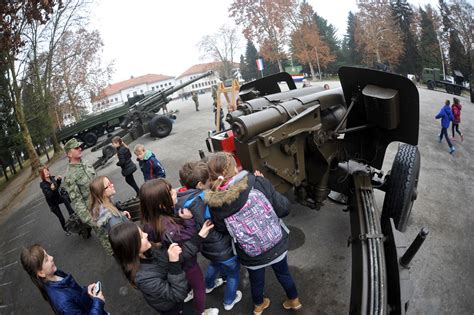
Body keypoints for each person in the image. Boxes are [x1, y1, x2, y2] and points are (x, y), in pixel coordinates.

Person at [204, 152, 302, 315]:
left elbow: (222, 229)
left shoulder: (216, 204)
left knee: (256, 281)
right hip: (276, 243)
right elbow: (284, 208)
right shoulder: (257, 182)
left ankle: (259, 306)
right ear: (235, 168)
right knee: (284, 274)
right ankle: (294, 301)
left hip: (250, 253)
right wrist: (265, 183)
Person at [140, 179, 219, 315]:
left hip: (170, 267)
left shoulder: (150, 222)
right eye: (170, 193)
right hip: (187, 265)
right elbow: (186, 244)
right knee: (199, 287)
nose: (175, 192)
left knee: (186, 284)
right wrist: (190, 222)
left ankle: (186, 292)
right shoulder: (168, 228)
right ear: (161, 204)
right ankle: (200, 312)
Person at [177, 161, 242, 311]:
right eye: (208, 181)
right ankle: (229, 300)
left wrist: (215, 184)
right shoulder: (204, 200)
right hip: (221, 246)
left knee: (215, 263)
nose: (210, 182)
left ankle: (209, 284)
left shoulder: (180, 198)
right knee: (233, 273)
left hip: (204, 246)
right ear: (200, 184)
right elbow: (218, 220)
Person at [20, 244, 106, 314]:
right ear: (41, 273)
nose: (51, 257)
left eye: (48, 254)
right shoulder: (63, 303)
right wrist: (98, 302)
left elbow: (74, 293)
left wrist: (86, 291)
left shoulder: (55, 274)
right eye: (46, 259)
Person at [63, 138, 95, 239]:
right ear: (69, 154)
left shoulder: (85, 163)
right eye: (76, 148)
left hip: (105, 203)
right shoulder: (69, 176)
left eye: (79, 147)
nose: (80, 149)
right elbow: (77, 201)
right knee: (108, 238)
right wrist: (90, 220)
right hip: (93, 210)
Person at [39, 166, 75, 235]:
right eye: (45, 172)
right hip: (52, 203)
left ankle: (71, 213)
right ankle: (65, 230)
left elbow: (57, 186)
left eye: (47, 170)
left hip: (57, 198)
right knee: (61, 217)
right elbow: (48, 195)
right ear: (42, 175)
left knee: (64, 197)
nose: (47, 172)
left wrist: (58, 180)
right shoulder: (43, 185)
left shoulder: (52, 178)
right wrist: (51, 190)